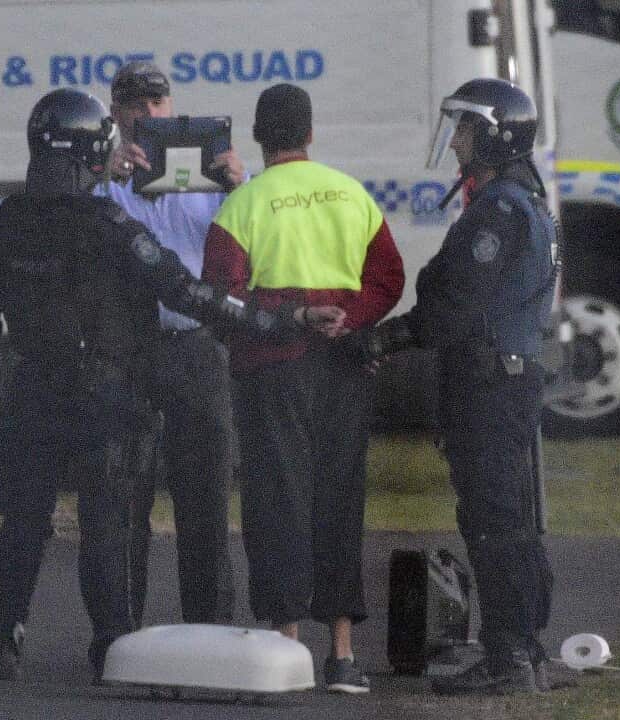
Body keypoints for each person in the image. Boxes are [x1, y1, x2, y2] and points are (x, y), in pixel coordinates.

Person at [0, 86, 344, 684]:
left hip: (30, 392)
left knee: (24, 519)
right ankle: (112, 645)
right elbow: (186, 292)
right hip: (102, 396)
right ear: (92, 154)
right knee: (105, 521)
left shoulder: (7, 223)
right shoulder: (107, 223)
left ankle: (4, 634)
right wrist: (279, 321)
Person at [347, 78, 557, 695]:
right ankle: (522, 648)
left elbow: (453, 305)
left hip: (490, 380)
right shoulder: (524, 202)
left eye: (466, 129)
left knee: (494, 520)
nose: (458, 141)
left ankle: (509, 658)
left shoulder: (498, 212)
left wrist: (385, 339)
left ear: (494, 134)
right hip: (507, 376)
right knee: (511, 517)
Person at [201, 83, 405, 694]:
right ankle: (343, 652)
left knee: (276, 500)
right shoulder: (351, 193)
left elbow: (220, 297)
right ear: (311, 134)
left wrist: (287, 311)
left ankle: (287, 648)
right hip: (343, 367)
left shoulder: (243, 205)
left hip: (271, 369)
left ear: (259, 140)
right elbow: (389, 278)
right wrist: (351, 316)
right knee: (339, 499)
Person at [93, 60, 244, 627]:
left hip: (197, 349)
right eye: (138, 105)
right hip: (131, 352)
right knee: (123, 501)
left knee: (205, 499)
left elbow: (243, 251)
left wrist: (239, 188)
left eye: (159, 104)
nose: (151, 114)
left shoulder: (202, 176)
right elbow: (78, 231)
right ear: (118, 115)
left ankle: (210, 630)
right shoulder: (103, 181)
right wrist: (102, 175)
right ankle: (120, 635)